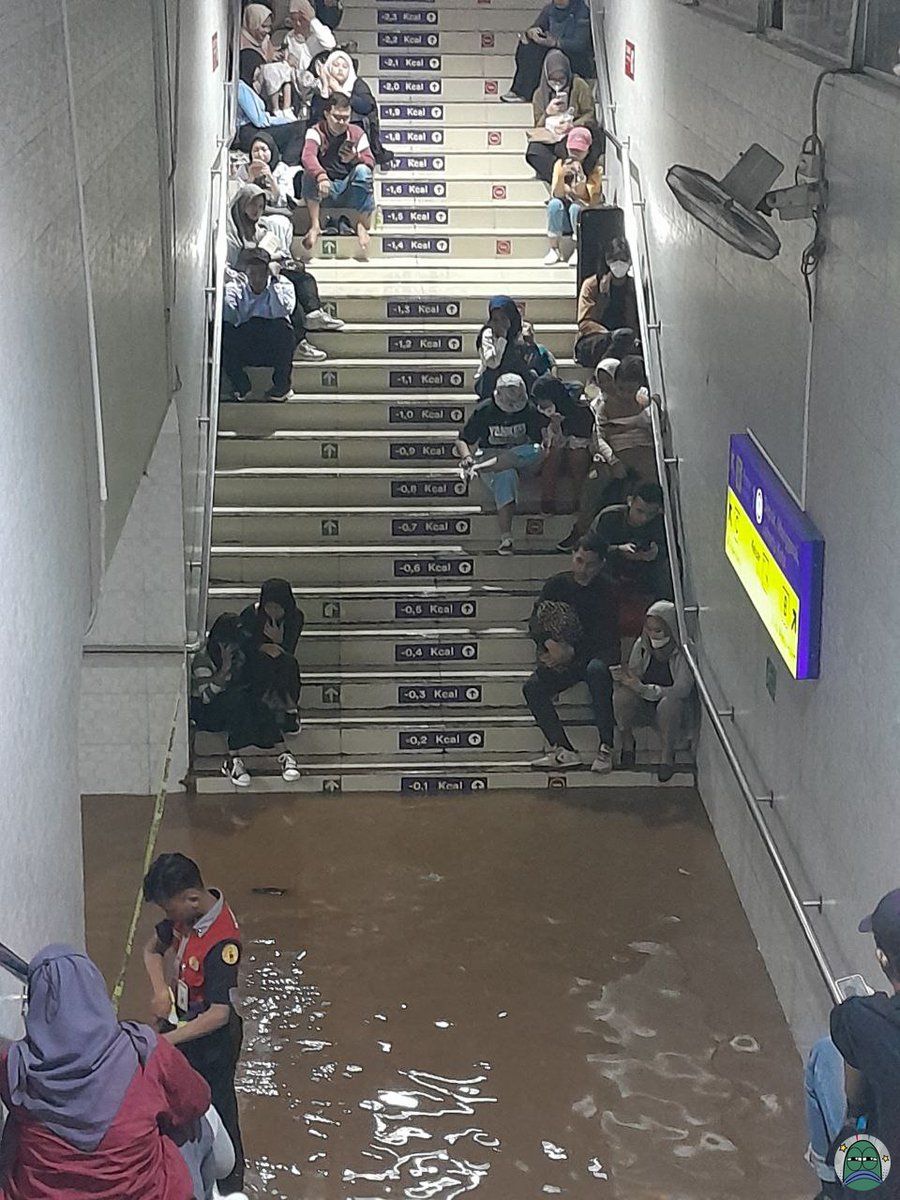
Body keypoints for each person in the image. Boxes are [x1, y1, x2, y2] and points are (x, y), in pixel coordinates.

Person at [0, 944, 225, 1200]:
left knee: (16, 1129)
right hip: (143, 1194)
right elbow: (197, 1100)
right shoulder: (146, 1051)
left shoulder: (14, 1065)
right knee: (195, 1126)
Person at [142, 855, 247, 1196]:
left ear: (191, 898)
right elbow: (151, 950)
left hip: (212, 1044)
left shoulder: (222, 943)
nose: (169, 919)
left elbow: (219, 1014)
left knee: (219, 1109)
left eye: (169, 911)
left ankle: (230, 1186)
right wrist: (160, 990)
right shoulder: (186, 915)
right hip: (182, 1026)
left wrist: (168, 1042)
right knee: (175, 1104)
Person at [804, 889, 900, 1200]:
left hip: (882, 1186)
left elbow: (844, 1029)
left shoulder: (865, 1019)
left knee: (824, 1053)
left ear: (882, 957)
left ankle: (832, 1187)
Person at [524, 534, 619, 773]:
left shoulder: (608, 590)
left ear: (601, 564)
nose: (583, 569)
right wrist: (549, 645)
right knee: (532, 687)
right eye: (579, 561)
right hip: (562, 655)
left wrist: (571, 652)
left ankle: (606, 745)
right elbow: (535, 621)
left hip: (594, 656)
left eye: (590, 564)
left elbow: (606, 636)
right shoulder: (556, 585)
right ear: (572, 556)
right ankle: (562, 748)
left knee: (597, 671)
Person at [226, 184, 339, 358]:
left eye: (260, 206)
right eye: (252, 205)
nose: (257, 210)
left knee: (301, 275)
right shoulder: (232, 232)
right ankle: (300, 342)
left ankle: (313, 313)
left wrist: (276, 259)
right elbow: (234, 263)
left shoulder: (260, 228)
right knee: (288, 288)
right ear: (242, 204)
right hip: (250, 278)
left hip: (266, 269)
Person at [455, 373, 547, 555]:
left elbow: (539, 442)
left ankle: (485, 467)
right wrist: (466, 457)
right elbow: (462, 440)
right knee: (506, 474)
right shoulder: (485, 410)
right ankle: (506, 536)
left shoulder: (529, 410)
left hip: (522, 457)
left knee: (532, 451)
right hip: (492, 455)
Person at [613, 600, 692, 780]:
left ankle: (667, 756)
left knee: (669, 704)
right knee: (622, 695)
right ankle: (627, 741)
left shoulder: (683, 652)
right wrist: (625, 679)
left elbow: (682, 689)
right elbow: (635, 673)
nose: (653, 635)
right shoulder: (642, 645)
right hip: (644, 703)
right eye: (649, 630)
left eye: (658, 630)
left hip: (671, 708)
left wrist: (647, 690)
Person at [301, 93, 375, 257]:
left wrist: (355, 158)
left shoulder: (357, 133)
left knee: (364, 171)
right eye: (337, 117)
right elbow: (307, 156)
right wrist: (321, 175)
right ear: (327, 114)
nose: (342, 122)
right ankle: (314, 225)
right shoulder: (315, 131)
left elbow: (370, 161)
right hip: (324, 188)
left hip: (348, 186)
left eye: (346, 118)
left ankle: (362, 224)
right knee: (308, 174)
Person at [222, 248, 297, 402]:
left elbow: (282, 311)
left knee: (284, 329)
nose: (256, 279)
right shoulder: (236, 287)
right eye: (252, 273)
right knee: (223, 331)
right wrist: (227, 287)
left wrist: (274, 283)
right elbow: (231, 316)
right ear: (245, 272)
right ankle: (241, 385)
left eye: (261, 273)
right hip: (246, 345)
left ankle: (282, 387)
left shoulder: (283, 284)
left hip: (271, 347)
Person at [310, 50, 393, 168]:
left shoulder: (357, 84)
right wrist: (325, 89)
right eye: (336, 65)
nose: (340, 69)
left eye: (344, 67)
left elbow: (367, 106)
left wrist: (340, 90)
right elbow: (315, 116)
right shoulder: (320, 86)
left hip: (353, 135)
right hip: (327, 138)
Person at [592, 481, 671, 602]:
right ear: (630, 501)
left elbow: (673, 551)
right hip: (612, 567)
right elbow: (591, 547)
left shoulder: (660, 523)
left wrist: (656, 552)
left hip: (646, 571)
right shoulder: (609, 516)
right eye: (639, 511)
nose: (644, 518)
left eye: (651, 514)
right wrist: (618, 549)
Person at [525, 50, 595, 185]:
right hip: (551, 136)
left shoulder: (579, 86)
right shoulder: (540, 94)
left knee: (566, 146)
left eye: (561, 79)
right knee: (534, 152)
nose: (557, 84)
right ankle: (561, 181)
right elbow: (538, 128)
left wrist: (572, 125)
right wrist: (547, 113)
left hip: (573, 133)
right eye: (553, 79)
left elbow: (590, 114)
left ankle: (568, 181)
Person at [502, 0, 593, 104]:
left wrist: (556, 43)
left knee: (549, 54)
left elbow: (581, 44)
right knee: (528, 46)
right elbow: (538, 26)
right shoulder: (549, 10)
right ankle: (520, 91)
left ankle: (525, 92)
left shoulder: (581, 11)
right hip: (551, 52)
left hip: (576, 59)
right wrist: (531, 33)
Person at [575, 237, 640, 367]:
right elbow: (585, 323)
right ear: (607, 260)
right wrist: (611, 335)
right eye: (614, 258)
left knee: (629, 341)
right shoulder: (592, 284)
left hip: (625, 340)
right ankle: (602, 374)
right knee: (623, 337)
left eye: (623, 258)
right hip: (595, 340)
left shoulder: (633, 287)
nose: (619, 263)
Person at [533, 375, 593, 515]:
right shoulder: (537, 413)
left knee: (578, 455)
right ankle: (547, 500)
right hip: (551, 454)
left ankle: (579, 500)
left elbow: (583, 438)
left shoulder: (580, 412)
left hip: (576, 451)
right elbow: (542, 441)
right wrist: (554, 428)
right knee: (553, 454)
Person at [544, 126, 604, 265]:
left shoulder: (595, 169)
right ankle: (554, 248)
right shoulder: (560, 164)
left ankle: (579, 248)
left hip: (582, 216)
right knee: (554, 204)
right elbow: (557, 194)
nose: (576, 153)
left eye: (580, 150)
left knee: (576, 208)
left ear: (588, 150)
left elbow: (586, 198)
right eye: (573, 149)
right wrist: (562, 175)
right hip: (563, 215)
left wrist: (580, 177)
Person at [236, 49, 307, 164]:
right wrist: (285, 120)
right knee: (298, 128)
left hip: (253, 129)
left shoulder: (245, 88)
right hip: (249, 132)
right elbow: (261, 121)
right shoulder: (241, 88)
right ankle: (289, 163)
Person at [282, 0, 336, 120]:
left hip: (319, 92)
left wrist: (313, 20)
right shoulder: (289, 37)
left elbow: (330, 43)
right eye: (294, 20)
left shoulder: (320, 33)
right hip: (298, 95)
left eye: (302, 20)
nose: (298, 24)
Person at [474, 297, 532, 400]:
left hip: (515, 374)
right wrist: (502, 339)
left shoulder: (517, 332)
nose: (499, 323)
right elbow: (492, 363)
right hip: (491, 378)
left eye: (503, 318)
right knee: (491, 375)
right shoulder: (488, 333)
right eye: (495, 319)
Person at [236, 132, 299, 209]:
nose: (259, 154)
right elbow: (238, 197)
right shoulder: (244, 169)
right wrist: (250, 179)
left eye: (264, 150)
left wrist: (271, 179)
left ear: (271, 151)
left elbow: (286, 200)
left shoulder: (281, 169)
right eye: (255, 150)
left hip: (274, 212)